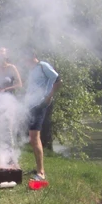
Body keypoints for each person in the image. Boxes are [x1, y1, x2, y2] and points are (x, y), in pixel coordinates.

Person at [24, 48, 61, 181]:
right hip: (31, 105)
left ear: (33, 55)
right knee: (31, 137)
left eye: (26, 57)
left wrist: (48, 97)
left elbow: (58, 79)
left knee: (34, 137)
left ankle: (41, 172)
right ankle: (38, 169)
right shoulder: (32, 70)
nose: (24, 60)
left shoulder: (42, 66)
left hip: (40, 105)